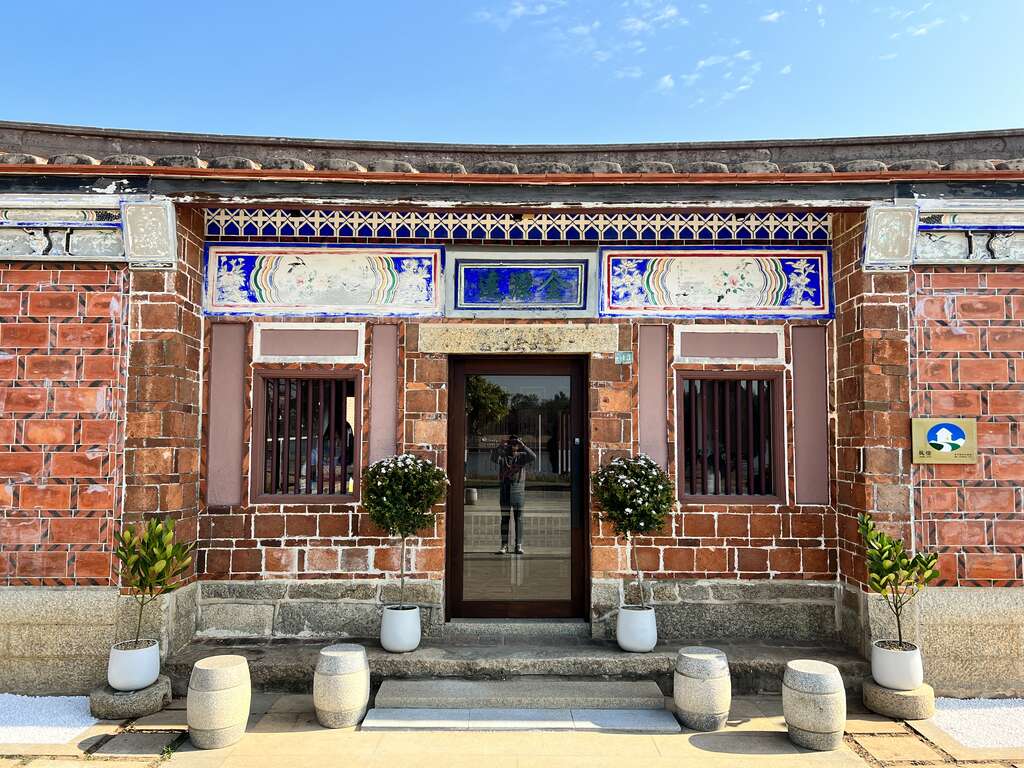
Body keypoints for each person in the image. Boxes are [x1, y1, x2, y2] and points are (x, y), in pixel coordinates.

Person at [490, 434, 536, 555]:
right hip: (505, 491)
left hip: (518, 491)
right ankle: (504, 545)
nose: (513, 446)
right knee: (505, 518)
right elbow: (493, 458)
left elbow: (533, 456)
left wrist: (523, 446)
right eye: (511, 444)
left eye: (515, 444)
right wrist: (500, 446)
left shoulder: (522, 456)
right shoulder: (503, 456)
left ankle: (518, 545)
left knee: (519, 519)